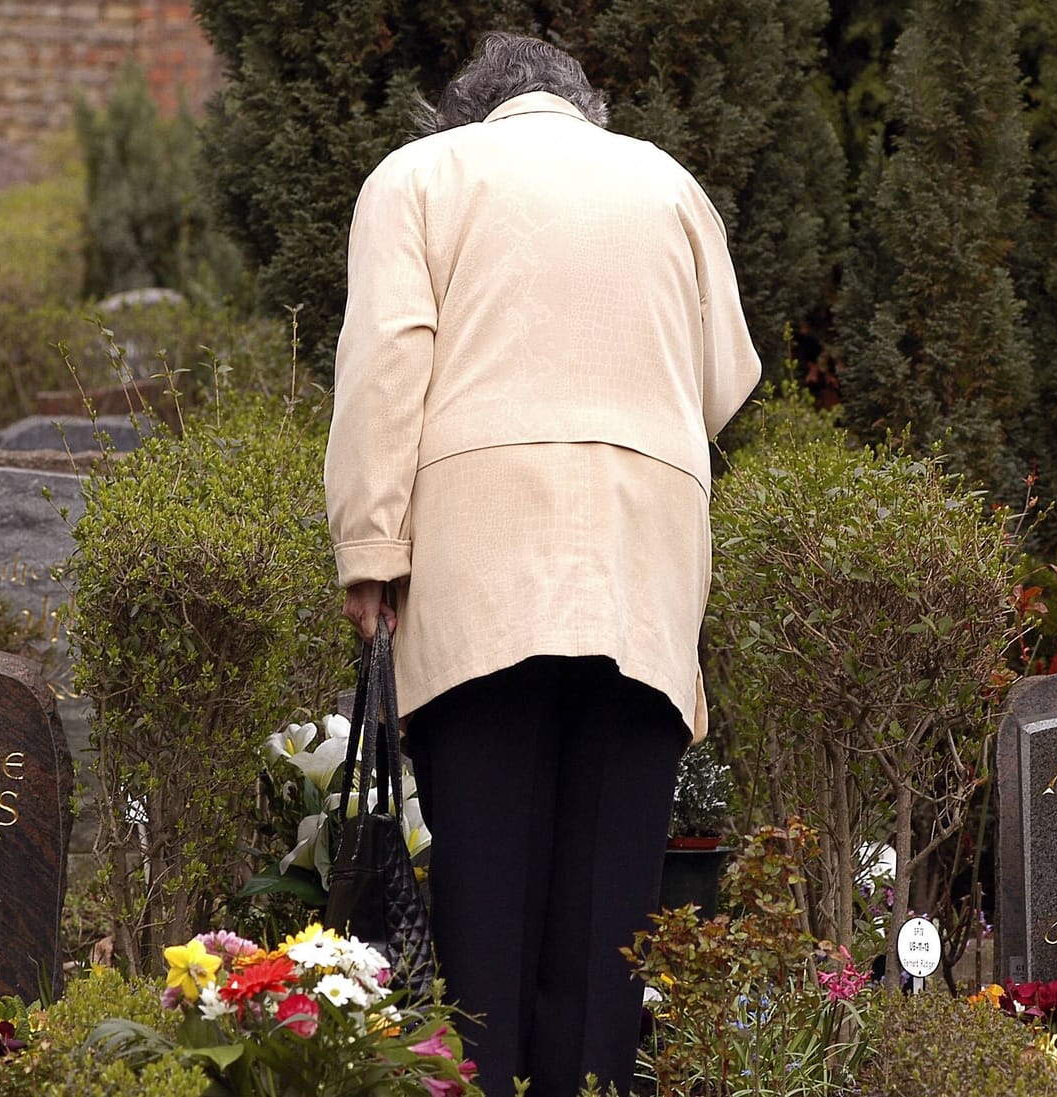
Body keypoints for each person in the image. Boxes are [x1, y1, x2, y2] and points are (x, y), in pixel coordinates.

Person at [323, 31, 760, 1095]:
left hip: (481, 562)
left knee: (485, 890)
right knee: (612, 903)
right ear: (584, 107)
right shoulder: (667, 184)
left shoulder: (418, 177)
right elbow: (724, 379)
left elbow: (387, 367)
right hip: (640, 562)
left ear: (469, 111)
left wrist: (372, 552)